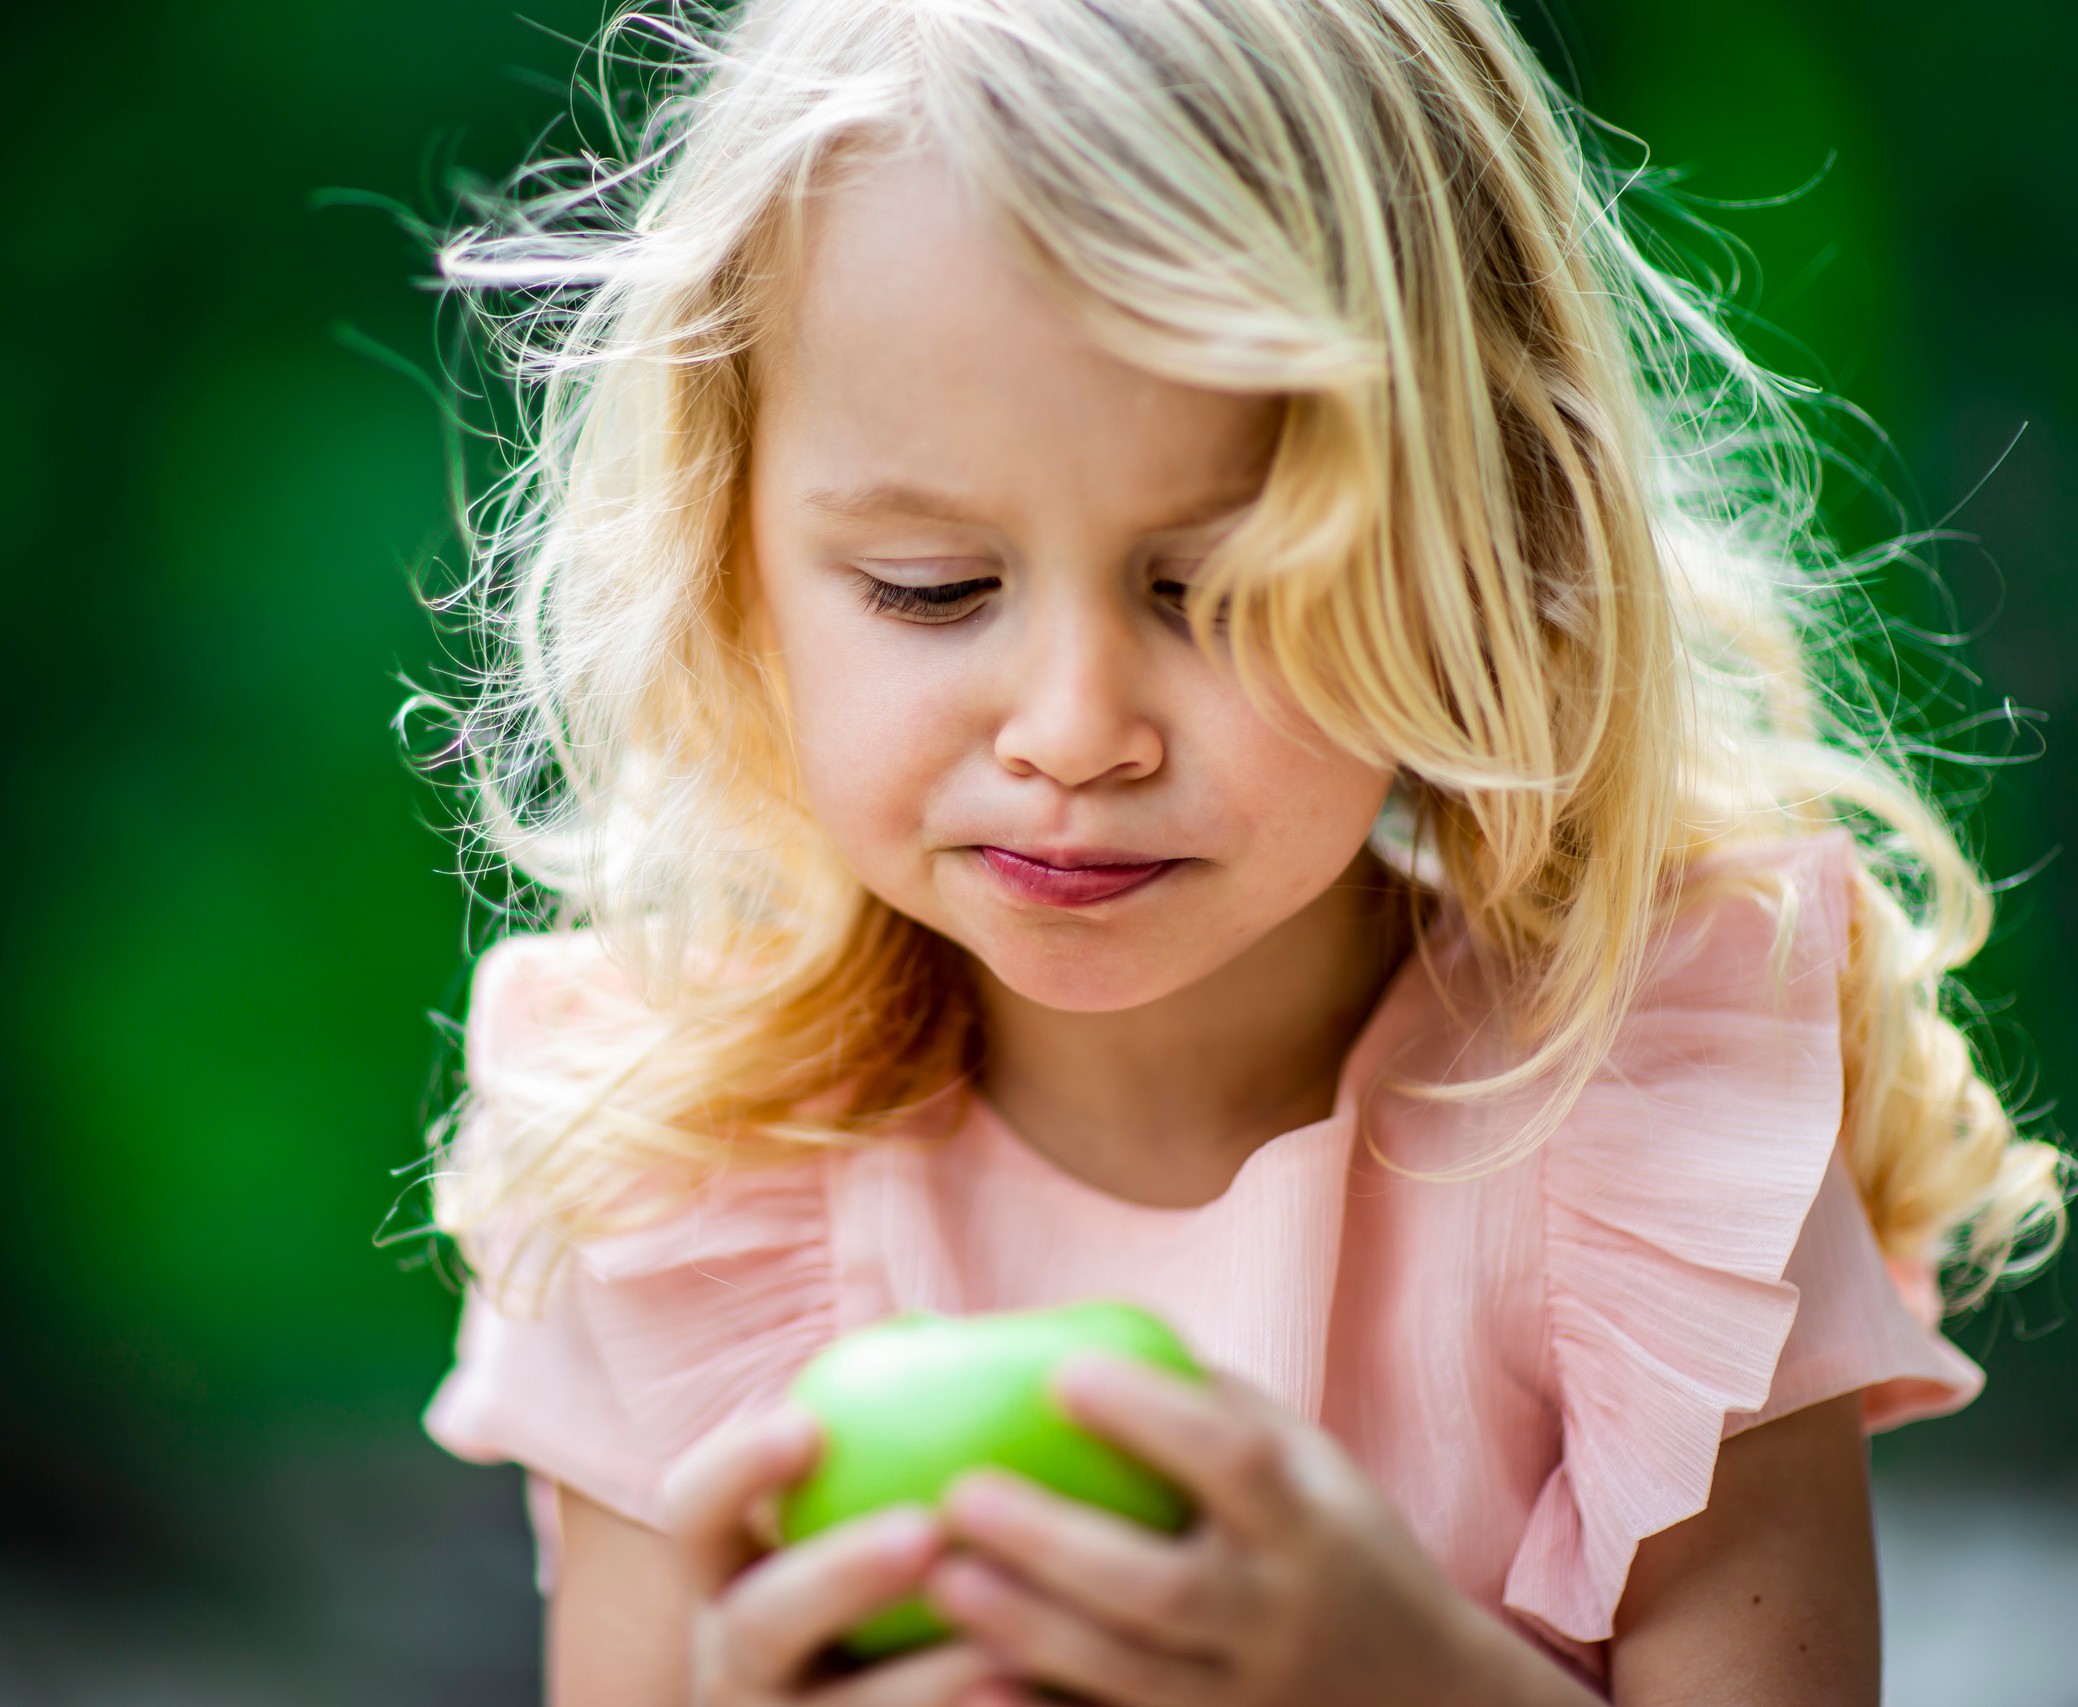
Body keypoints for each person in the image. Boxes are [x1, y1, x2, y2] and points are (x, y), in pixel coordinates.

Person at [412, 0, 2070, 1700]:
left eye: (1219, 595)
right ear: (731, 557)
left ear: (1483, 547)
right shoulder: (676, 1169)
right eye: (932, 587)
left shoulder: (1640, 1124)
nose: (1072, 726)